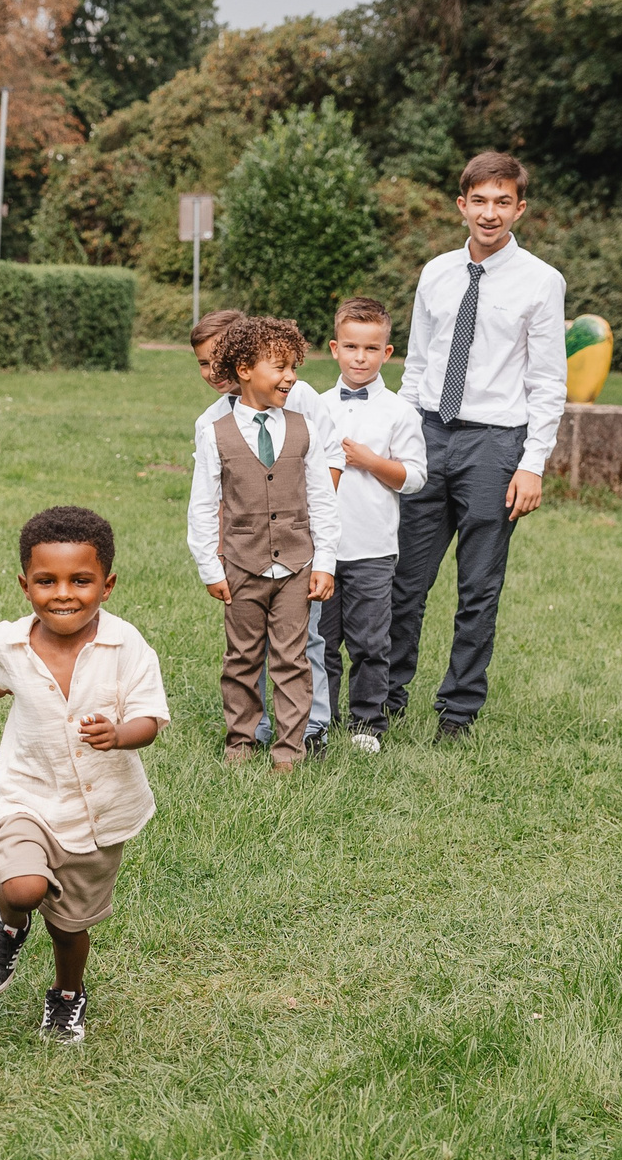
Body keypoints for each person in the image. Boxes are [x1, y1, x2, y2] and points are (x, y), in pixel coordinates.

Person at [385, 152, 567, 740]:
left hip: (495, 445)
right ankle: (384, 699)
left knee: (478, 587)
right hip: (428, 434)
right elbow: (416, 365)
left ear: (520, 208)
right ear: (462, 205)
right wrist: (401, 434)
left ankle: (457, 712)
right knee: (404, 581)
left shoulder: (541, 282)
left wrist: (532, 464)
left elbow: (547, 382)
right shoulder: (435, 273)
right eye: (479, 201)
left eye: (503, 202)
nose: (490, 213)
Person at [0, 505, 169, 1044]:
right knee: (23, 886)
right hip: (27, 794)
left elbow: (150, 719)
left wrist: (120, 733)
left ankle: (66, 994)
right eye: (46, 581)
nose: (63, 593)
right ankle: (9, 925)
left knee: (70, 928)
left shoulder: (127, 645)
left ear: (107, 585)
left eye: (80, 580)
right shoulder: (8, 642)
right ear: (24, 584)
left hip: (101, 811)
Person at [186, 315, 340, 773]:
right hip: (241, 566)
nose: (291, 376)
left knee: (293, 659)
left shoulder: (303, 426)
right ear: (245, 369)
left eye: (293, 366)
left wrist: (325, 562)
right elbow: (202, 504)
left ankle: (289, 752)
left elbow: (322, 501)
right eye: (280, 367)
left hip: (296, 565)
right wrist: (211, 568)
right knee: (242, 658)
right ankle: (241, 742)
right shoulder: (214, 430)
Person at [322, 296, 426, 752]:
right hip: (321, 549)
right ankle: (317, 721)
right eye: (350, 347)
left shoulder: (400, 412)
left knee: (369, 642)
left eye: (370, 349)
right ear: (334, 349)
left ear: (387, 353)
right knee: (320, 643)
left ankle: (367, 723)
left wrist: (370, 461)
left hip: (373, 549)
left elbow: (416, 477)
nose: (359, 357)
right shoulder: (315, 405)